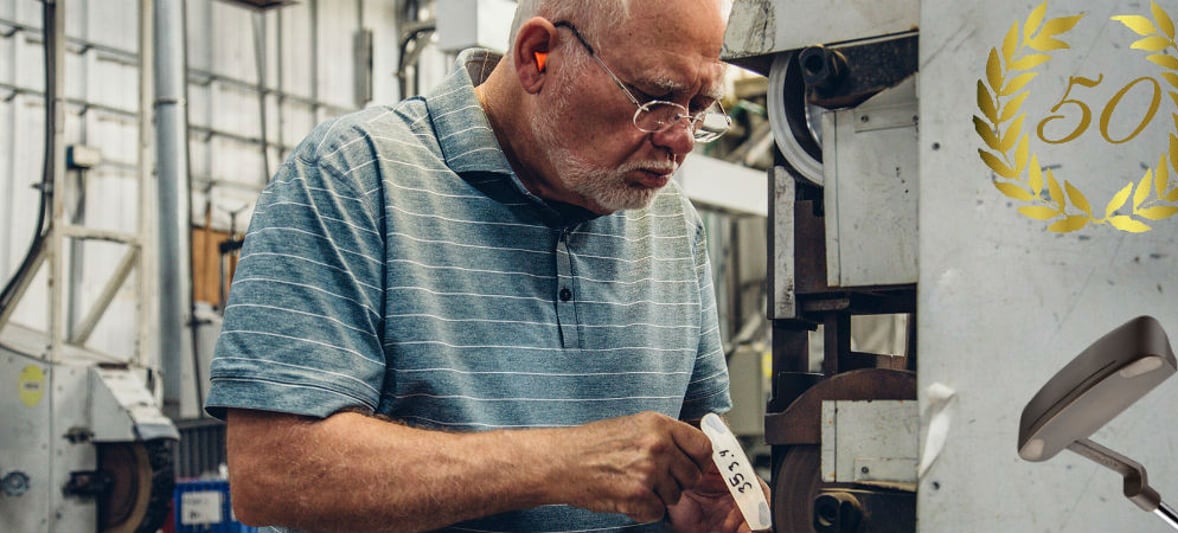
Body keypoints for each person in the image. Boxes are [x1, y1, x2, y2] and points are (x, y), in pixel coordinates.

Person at [204, 0, 768, 532]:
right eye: (653, 99)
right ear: (537, 56)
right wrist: (559, 463)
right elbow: (273, 471)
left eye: (699, 108)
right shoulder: (355, 174)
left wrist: (707, 501)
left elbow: (696, 442)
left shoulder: (672, 221)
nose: (681, 139)